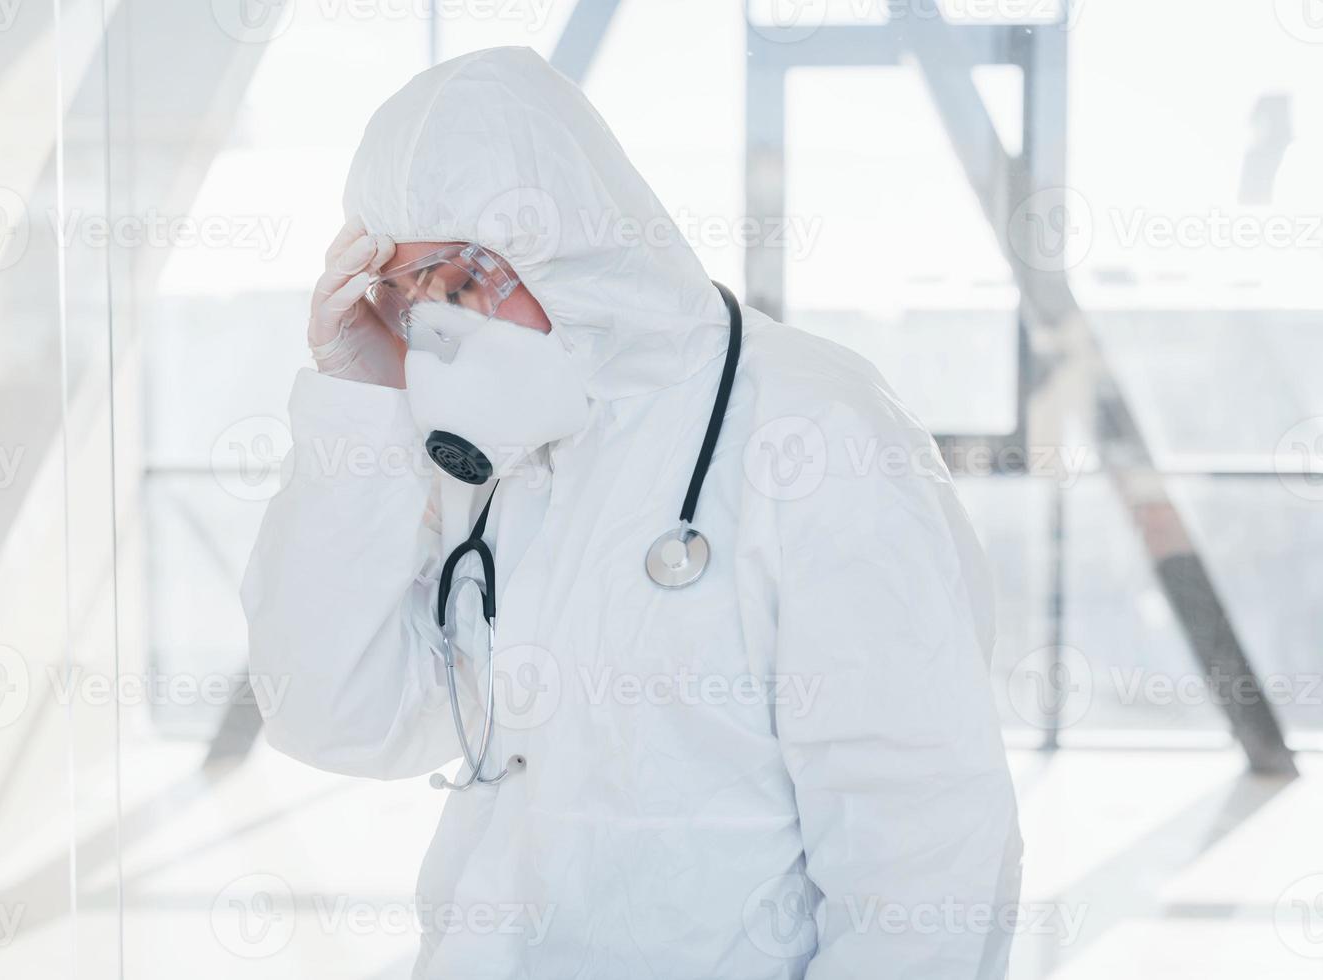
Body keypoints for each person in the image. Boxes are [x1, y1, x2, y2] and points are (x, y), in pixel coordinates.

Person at [242, 46, 1021, 979]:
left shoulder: (817, 434)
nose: (433, 330)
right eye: (403, 298)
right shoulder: (500, 451)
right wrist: (359, 426)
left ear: (559, 238)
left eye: (454, 283)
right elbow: (336, 715)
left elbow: (925, 856)